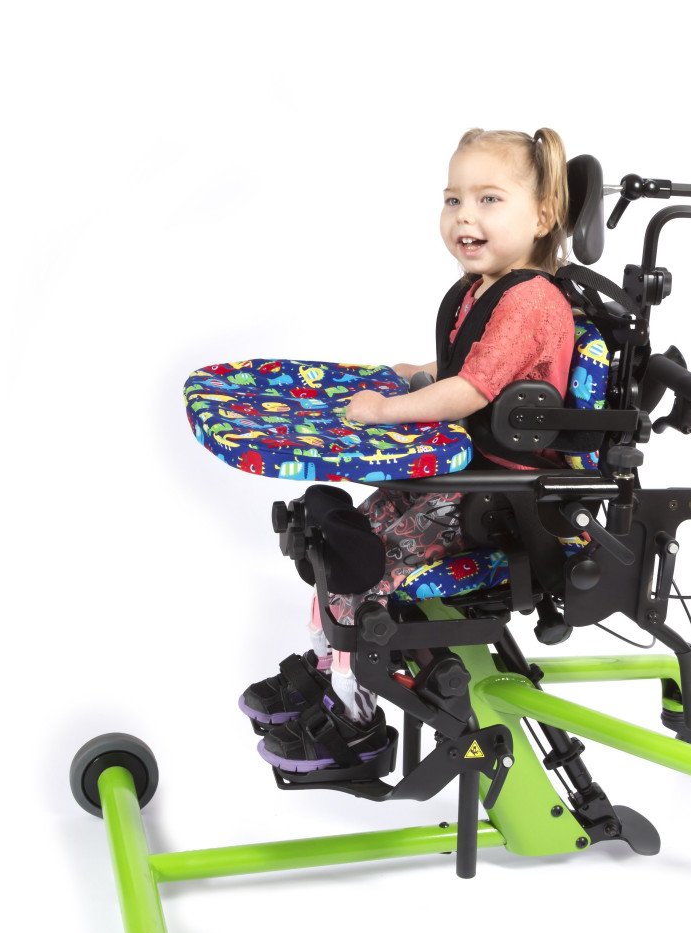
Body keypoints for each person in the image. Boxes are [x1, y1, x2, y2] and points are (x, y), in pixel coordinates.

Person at [243, 126, 578, 775]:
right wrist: (423, 373)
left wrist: (387, 409)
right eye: (454, 200)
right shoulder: (491, 288)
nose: (464, 216)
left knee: (364, 566)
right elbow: (478, 366)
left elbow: (474, 389)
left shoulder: (531, 300)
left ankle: (355, 721)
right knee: (340, 540)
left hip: (498, 501)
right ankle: (329, 669)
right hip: (466, 476)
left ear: (541, 216)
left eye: (488, 199)